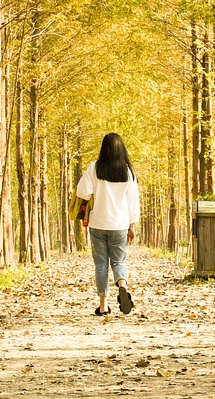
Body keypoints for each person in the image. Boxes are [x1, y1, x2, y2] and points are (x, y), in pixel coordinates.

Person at [75, 132, 140, 315]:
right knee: (119, 261)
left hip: (98, 222)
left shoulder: (94, 168)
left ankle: (103, 306)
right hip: (120, 223)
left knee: (101, 264)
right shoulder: (128, 172)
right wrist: (132, 226)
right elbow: (132, 201)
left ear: (104, 149)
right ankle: (122, 286)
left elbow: (83, 192)